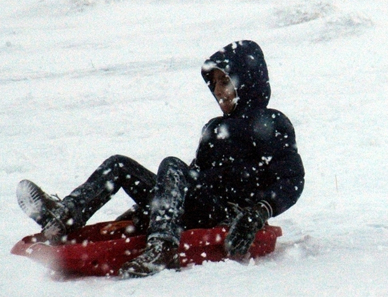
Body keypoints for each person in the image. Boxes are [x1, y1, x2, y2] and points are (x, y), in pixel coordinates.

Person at [16, 40, 305, 277]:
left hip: (227, 214)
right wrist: (146, 209)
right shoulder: (214, 128)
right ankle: (62, 218)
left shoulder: (271, 123)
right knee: (120, 165)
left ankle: (163, 247)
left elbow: (291, 179)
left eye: (225, 81)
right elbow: (193, 177)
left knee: (172, 164)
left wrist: (259, 212)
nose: (218, 91)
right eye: (214, 82)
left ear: (248, 81)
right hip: (198, 206)